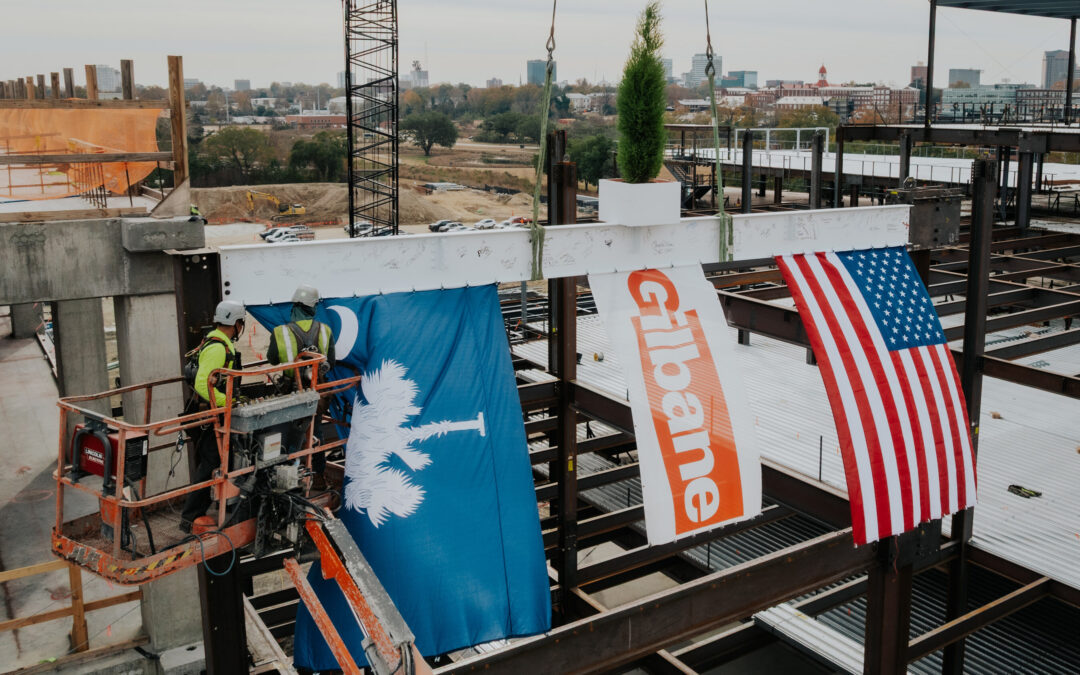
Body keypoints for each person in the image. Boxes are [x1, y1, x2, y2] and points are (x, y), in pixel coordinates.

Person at [180, 300, 245, 532]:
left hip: (212, 412)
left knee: (215, 461)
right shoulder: (219, 347)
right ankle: (191, 517)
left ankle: (202, 510)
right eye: (240, 323)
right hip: (210, 414)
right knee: (210, 463)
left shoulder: (219, 342)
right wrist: (227, 401)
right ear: (236, 323)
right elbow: (201, 382)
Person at [268, 285, 335, 484]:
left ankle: (288, 478)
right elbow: (332, 362)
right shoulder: (325, 330)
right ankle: (318, 476)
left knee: (286, 435)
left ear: (295, 306)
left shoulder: (280, 332)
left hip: (289, 394)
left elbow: (272, 359)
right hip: (316, 392)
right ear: (313, 307)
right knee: (315, 432)